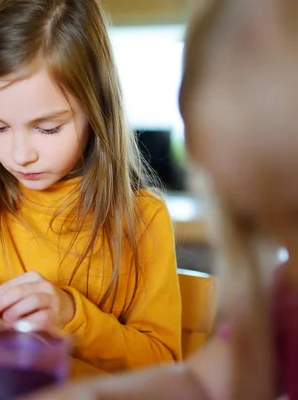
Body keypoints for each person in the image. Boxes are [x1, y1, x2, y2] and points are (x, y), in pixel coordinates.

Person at [24, 0, 298, 398]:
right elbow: (202, 382)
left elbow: (160, 355)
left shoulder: (145, 217)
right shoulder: (283, 298)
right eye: (269, 228)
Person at [0, 0, 182, 376]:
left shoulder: (144, 220)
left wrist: (70, 314)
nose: (20, 155)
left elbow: (163, 363)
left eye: (47, 128)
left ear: (96, 108)